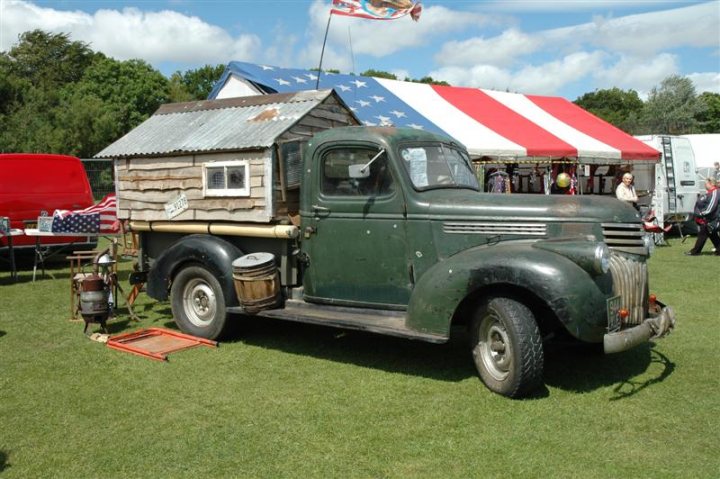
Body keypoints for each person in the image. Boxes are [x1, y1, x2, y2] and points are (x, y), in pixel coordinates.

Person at [685, 177, 720, 256]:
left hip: (714, 219)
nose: (704, 185)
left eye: (706, 183)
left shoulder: (715, 192)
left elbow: (712, 207)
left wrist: (701, 214)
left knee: (703, 232)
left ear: (711, 184)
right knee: (711, 233)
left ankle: (695, 251)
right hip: (711, 218)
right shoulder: (712, 192)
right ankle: (719, 250)